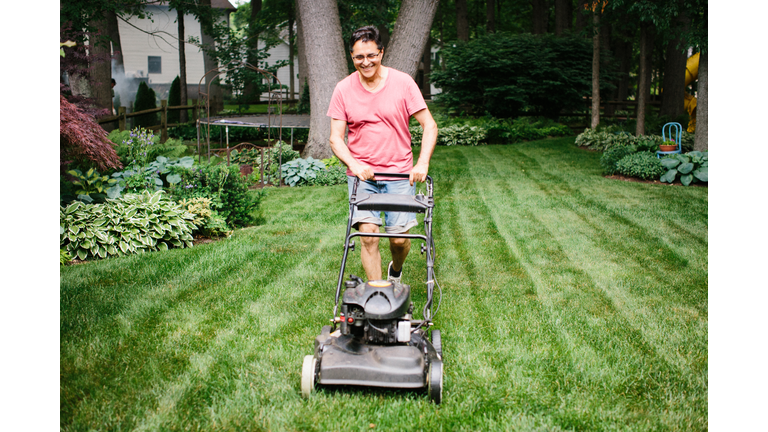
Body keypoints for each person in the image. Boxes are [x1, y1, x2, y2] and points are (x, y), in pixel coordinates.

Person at [327, 26, 438, 285]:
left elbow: (429, 125)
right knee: (368, 236)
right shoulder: (343, 89)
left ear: (381, 52)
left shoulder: (402, 83)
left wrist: (422, 163)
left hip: (399, 173)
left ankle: (395, 270)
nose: (365, 62)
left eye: (371, 55)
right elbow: (335, 137)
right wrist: (354, 165)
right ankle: (379, 294)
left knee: (399, 240)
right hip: (363, 176)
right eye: (358, 57)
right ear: (351, 57)